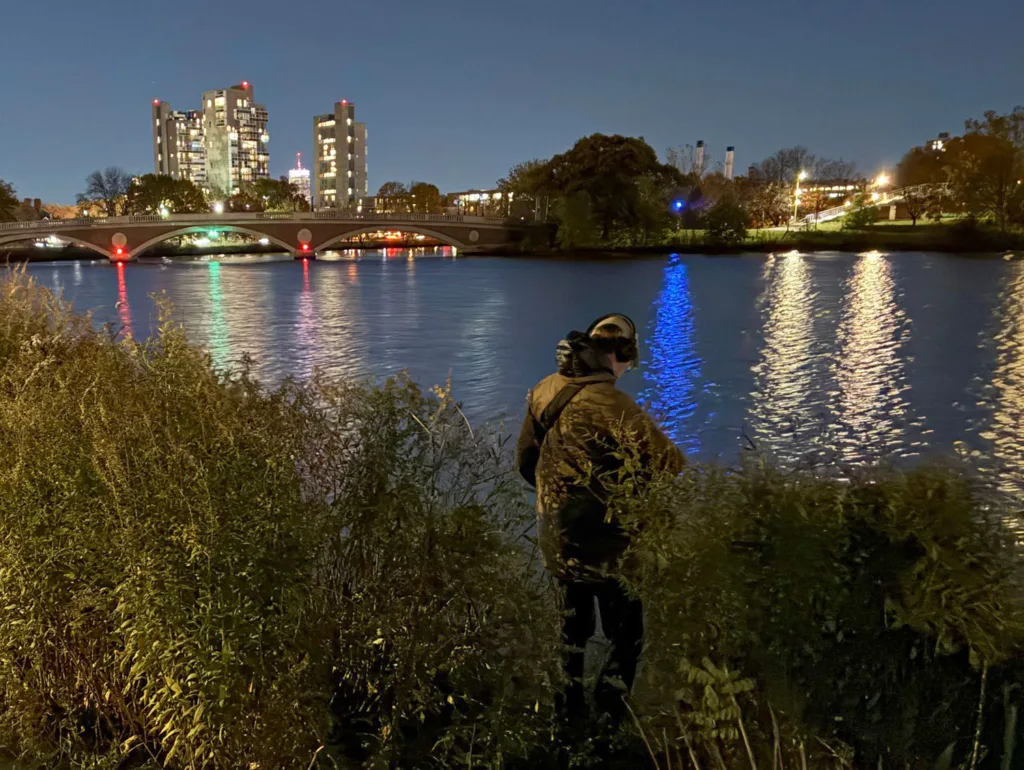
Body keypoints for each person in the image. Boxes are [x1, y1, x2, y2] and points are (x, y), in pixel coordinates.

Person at [516, 314, 684, 724]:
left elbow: (525, 461)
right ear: (621, 356)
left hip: (557, 541)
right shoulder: (615, 405)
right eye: (628, 362)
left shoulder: (545, 389)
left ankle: (567, 717)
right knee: (627, 638)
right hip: (611, 551)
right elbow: (670, 464)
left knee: (570, 636)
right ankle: (609, 719)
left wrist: (558, 497)